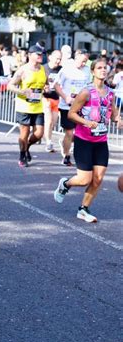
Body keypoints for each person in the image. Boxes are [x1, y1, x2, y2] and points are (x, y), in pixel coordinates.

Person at [54, 57, 121, 222]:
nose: (103, 70)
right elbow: (71, 114)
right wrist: (86, 122)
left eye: (105, 68)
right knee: (85, 179)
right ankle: (66, 184)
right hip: (84, 141)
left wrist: (118, 120)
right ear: (93, 71)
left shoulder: (110, 94)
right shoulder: (86, 92)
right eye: (99, 68)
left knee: (98, 178)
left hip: (101, 142)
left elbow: (113, 116)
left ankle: (83, 209)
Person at [7, 44, 47, 168]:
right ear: (30, 55)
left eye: (42, 54)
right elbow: (10, 86)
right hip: (24, 107)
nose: (41, 56)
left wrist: (46, 87)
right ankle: (22, 154)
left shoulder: (43, 69)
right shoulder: (23, 70)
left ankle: (27, 146)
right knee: (24, 134)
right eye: (38, 54)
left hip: (38, 106)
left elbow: (43, 84)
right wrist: (22, 91)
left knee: (39, 133)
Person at [55, 49, 91, 166]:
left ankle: (67, 143)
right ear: (77, 57)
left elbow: (89, 86)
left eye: (86, 61)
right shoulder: (66, 69)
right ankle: (66, 155)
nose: (84, 64)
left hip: (81, 106)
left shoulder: (87, 71)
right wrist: (65, 97)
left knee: (80, 133)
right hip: (67, 106)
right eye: (83, 61)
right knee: (70, 132)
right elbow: (56, 85)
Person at [42, 49, 62, 152]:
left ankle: (44, 135)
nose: (58, 61)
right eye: (56, 58)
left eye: (60, 59)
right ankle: (48, 142)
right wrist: (43, 88)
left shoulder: (61, 70)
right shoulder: (44, 68)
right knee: (48, 121)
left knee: (53, 122)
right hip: (45, 97)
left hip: (56, 98)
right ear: (50, 57)